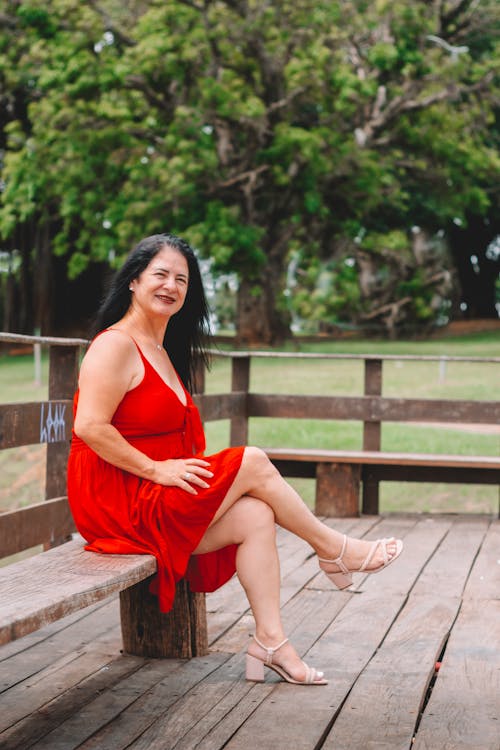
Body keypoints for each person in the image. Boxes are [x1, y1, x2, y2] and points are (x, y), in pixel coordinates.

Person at [67, 233, 403, 687]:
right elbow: (89, 427)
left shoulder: (162, 350)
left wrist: (166, 472)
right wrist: (156, 469)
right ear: (133, 280)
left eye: (181, 279)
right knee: (253, 460)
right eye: (160, 274)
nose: (171, 286)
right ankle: (334, 549)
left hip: (155, 491)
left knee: (255, 516)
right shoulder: (115, 345)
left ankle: (271, 642)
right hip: (119, 500)